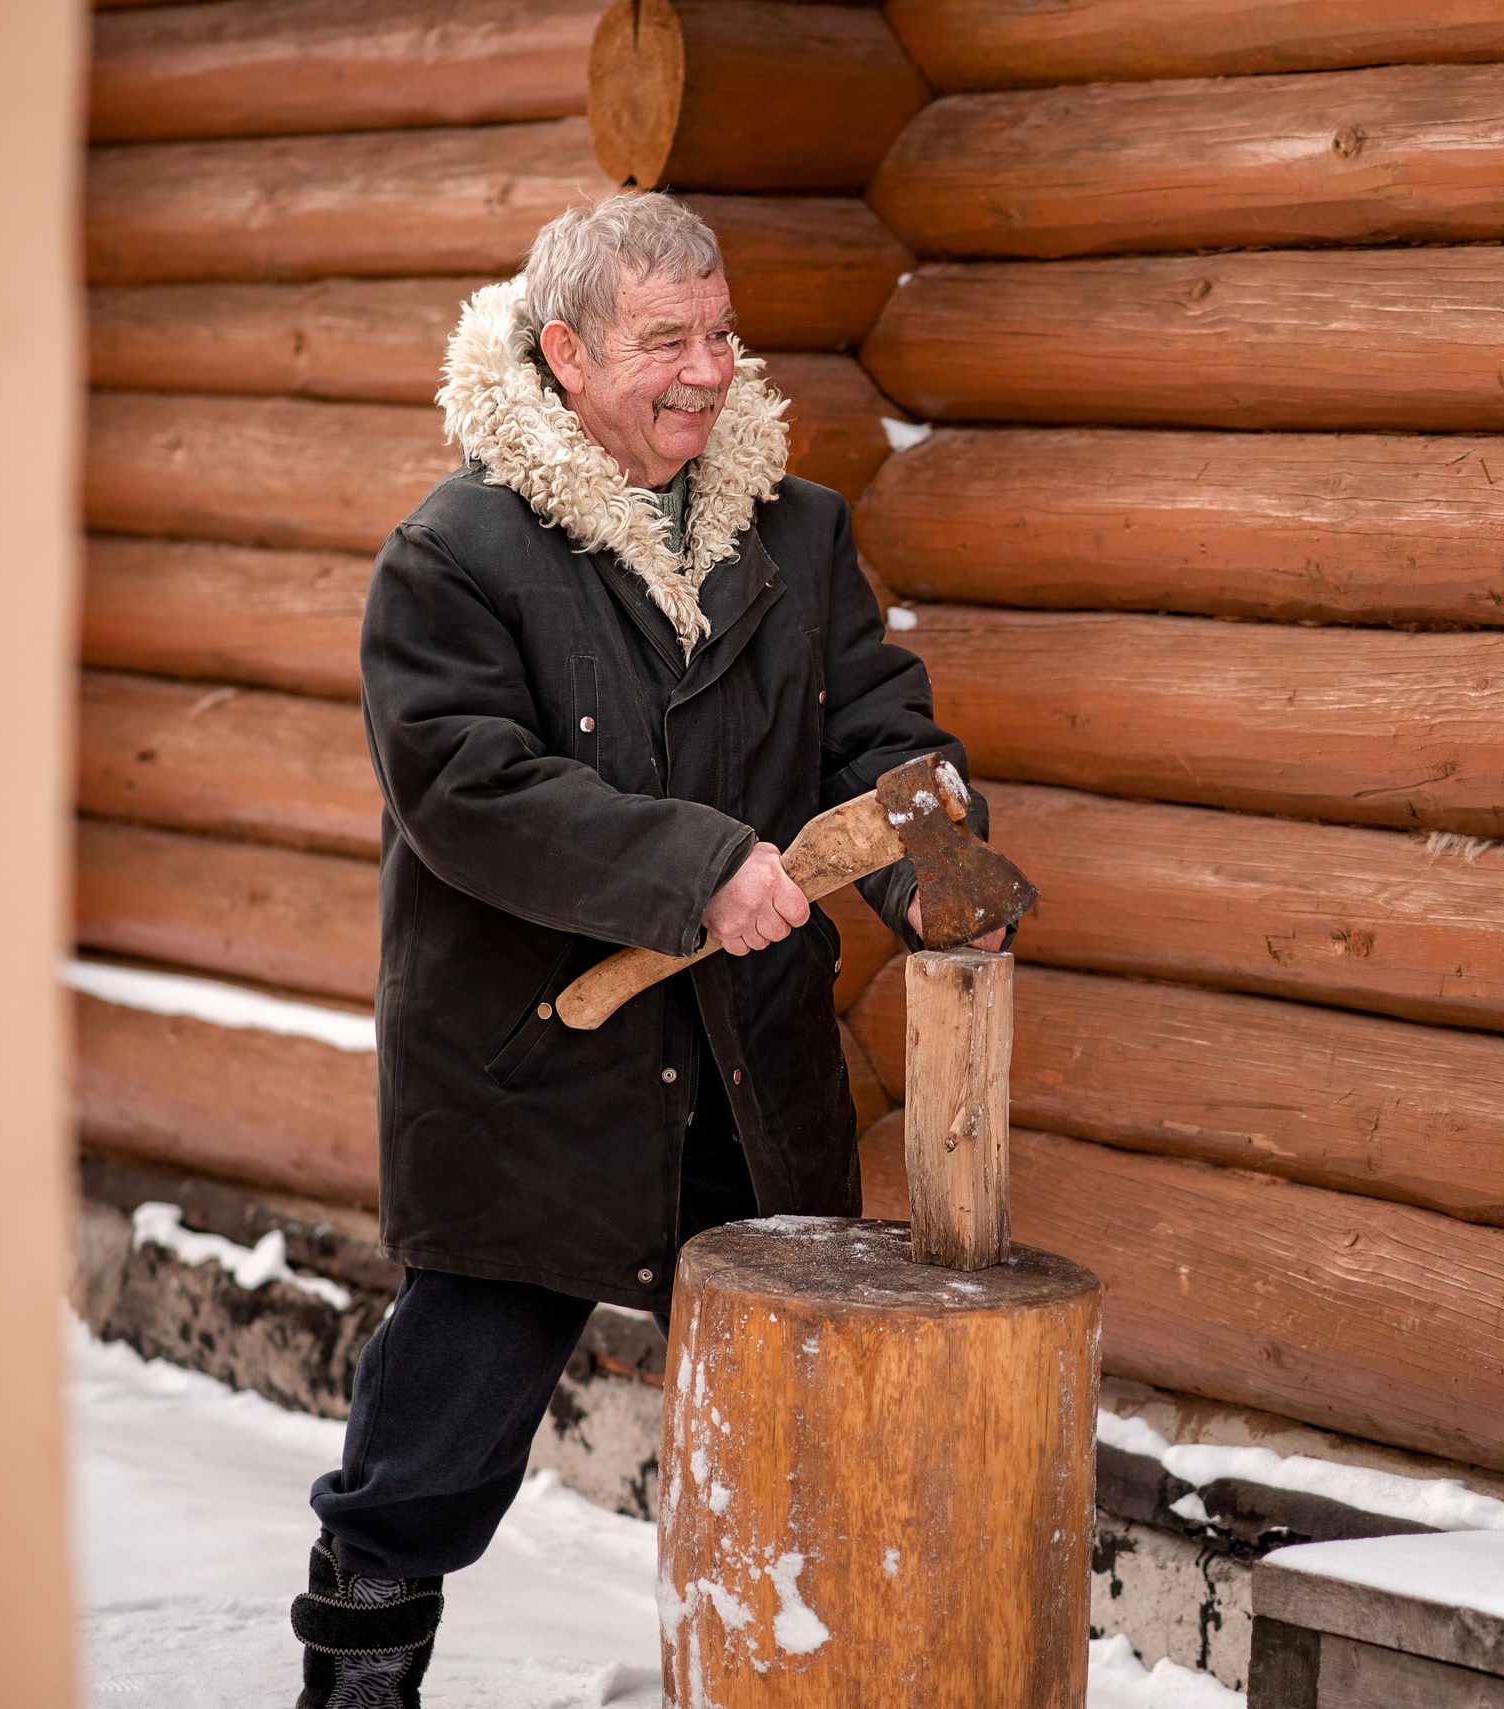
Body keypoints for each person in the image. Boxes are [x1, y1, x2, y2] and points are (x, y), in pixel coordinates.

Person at [288, 192, 1003, 1707]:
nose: (708, 371)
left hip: (753, 1062)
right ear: (563, 352)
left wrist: (937, 869)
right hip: (538, 1063)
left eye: (722, 334)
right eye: (665, 340)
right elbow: (468, 790)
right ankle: (358, 1678)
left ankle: (769, 1677)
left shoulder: (798, 532)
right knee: (441, 1430)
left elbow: (877, 734)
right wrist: (699, 868)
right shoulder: (455, 553)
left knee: (791, 1425)